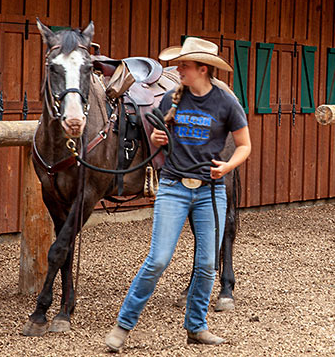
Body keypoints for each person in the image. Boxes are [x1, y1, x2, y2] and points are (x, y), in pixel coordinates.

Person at [105, 37, 251, 352]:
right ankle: (123, 325)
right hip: (173, 187)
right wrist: (159, 136)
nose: (177, 69)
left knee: (205, 265)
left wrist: (227, 168)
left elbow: (245, 145)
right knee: (157, 260)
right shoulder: (171, 98)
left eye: (184, 65)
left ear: (203, 69)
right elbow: (160, 138)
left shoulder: (226, 103)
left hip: (211, 192)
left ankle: (196, 327)